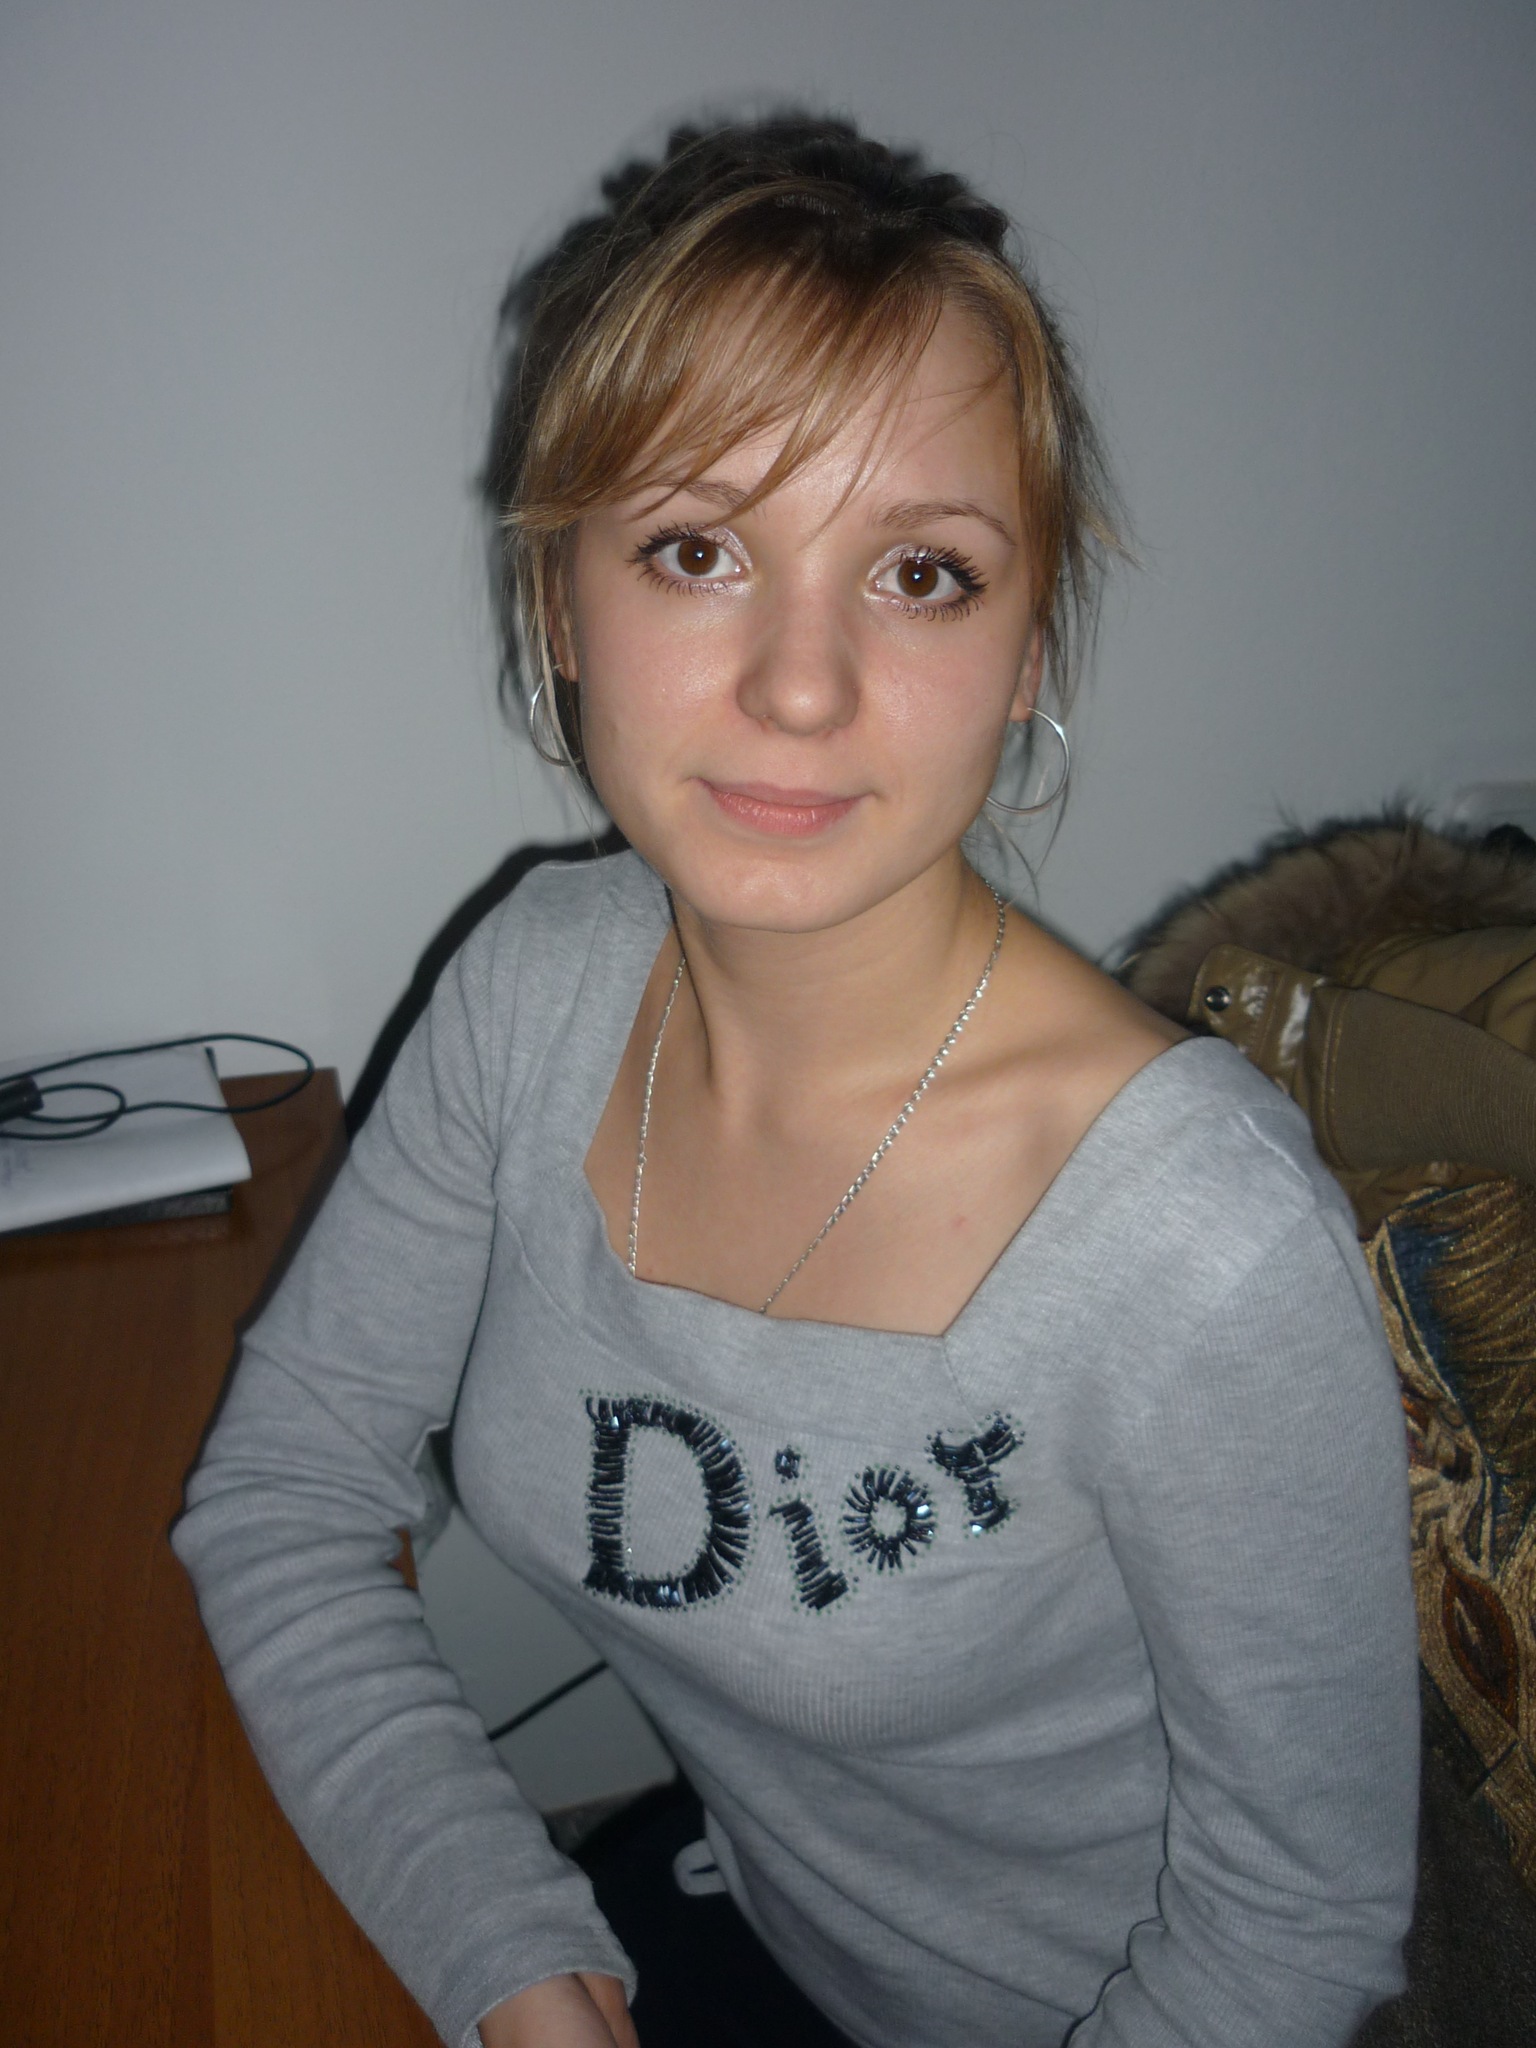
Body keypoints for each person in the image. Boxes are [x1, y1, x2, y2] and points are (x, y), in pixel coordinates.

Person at [173, 114, 1420, 2048]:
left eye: (921, 572)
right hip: (754, 1932)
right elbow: (282, 1493)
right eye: (697, 549)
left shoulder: (1198, 1248)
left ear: (1027, 650)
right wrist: (510, 1955)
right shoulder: (538, 988)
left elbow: (1297, 1931)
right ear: (561, 600)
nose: (802, 684)